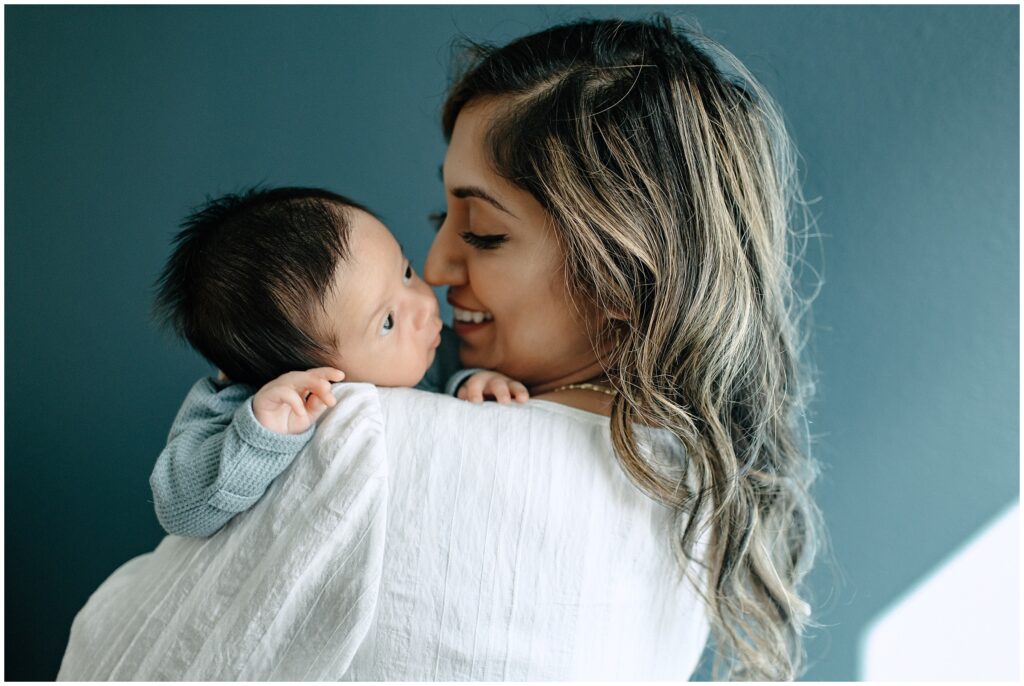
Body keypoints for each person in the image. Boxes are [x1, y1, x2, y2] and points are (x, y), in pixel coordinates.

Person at [58, 15, 822, 681]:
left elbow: (118, 661)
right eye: (440, 212)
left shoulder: (366, 444)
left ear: (622, 277)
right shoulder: (708, 519)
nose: (436, 266)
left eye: (484, 231)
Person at [149, 186, 528, 537]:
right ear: (301, 374)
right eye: (387, 322)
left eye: (406, 272)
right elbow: (179, 509)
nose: (426, 304)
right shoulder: (236, 404)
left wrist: (471, 381)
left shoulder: (429, 347)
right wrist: (260, 433)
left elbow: (450, 374)